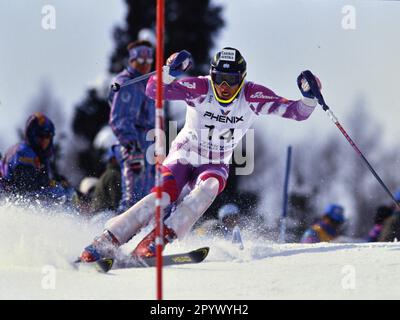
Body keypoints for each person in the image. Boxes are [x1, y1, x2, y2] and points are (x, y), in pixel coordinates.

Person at [78, 47, 321, 262]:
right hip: (185, 154)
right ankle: (107, 239)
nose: (224, 87)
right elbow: (154, 90)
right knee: (162, 197)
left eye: (231, 80)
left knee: (210, 186)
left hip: (215, 161)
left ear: (242, 79)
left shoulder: (251, 95)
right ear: (212, 76)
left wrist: (309, 97)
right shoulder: (201, 87)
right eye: (219, 79)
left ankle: (158, 239)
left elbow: (297, 112)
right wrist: (168, 71)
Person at [108, 40, 156, 213]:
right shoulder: (126, 84)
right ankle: (120, 230)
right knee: (133, 197)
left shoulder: (147, 83)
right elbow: (119, 119)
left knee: (149, 197)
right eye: (141, 61)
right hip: (134, 145)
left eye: (149, 61)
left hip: (149, 145)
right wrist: (132, 145)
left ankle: (146, 232)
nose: (145, 65)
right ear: (132, 59)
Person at [0, 112, 70, 203]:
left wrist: (58, 182)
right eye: (41, 135)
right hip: (9, 199)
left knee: (67, 192)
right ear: (31, 135)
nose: (45, 140)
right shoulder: (23, 152)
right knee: (59, 192)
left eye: (48, 135)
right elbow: (25, 187)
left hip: (18, 199)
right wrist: (53, 185)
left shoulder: (41, 157)